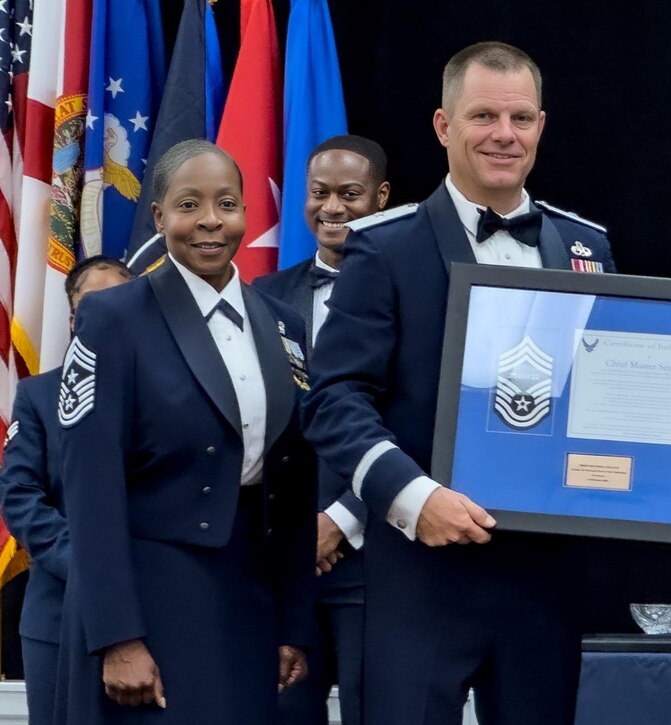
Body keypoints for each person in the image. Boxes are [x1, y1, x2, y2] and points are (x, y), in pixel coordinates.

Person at [302, 41, 615, 725]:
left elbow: (603, 395)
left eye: (521, 118)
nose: (505, 135)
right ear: (444, 127)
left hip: (543, 573)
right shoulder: (384, 247)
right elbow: (333, 400)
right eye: (483, 116)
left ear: (540, 125)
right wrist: (415, 499)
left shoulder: (586, 245)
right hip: (421, 571)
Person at [55, 139, 317, 724]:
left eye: (227, 204)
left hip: (250, 603)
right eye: (188, 204)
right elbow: (90, 488)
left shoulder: (284, 325)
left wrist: (295, 623)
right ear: (158, 216)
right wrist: (117, 637)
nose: (209, 222)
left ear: (248, 213)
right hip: (147, 602)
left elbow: (296, 485)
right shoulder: (113, 318)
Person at [254, 134, 390, 725]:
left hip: (376, 557)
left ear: (381, 197)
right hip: (283, 565)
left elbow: (414, 420)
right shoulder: (262, 295)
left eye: (350, 194)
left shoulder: (411, 292)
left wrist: (338, 520)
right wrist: (291, 530)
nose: (332, 207)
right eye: (319, 193)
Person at [0, 257, 133, 724]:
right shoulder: (38, 396)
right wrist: (89, 564)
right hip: (59, 612)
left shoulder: (167, 392)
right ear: (73, 319)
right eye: (91, 307)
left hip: (150, 610)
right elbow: (19, 496)